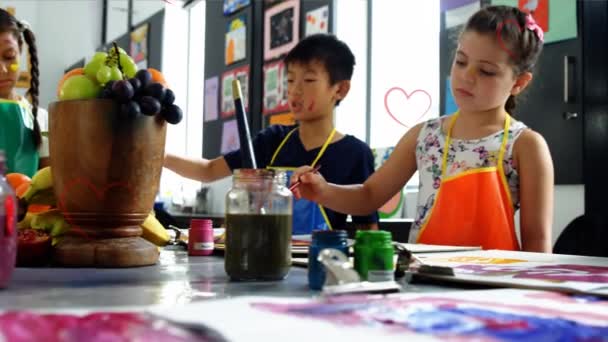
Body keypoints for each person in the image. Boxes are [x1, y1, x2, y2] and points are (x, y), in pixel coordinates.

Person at [291, 6, 553, 252]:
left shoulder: (525, 145)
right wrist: (323, 191)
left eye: (486, 71)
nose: (466, 76)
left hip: (497, 287)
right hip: (426, 281)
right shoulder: (425, 137)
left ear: (519, 82)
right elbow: (369, 195)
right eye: (461, 61)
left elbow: (537, 241)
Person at [164, 34, 379, 234]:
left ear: (340, 89)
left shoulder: (356, 153)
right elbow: (208, 170)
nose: (295, 90)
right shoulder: (272, 140)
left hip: (320, 265)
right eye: (291, 80)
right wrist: (159, 157)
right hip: (266, 260)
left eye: (309, 80)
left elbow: (368, 231)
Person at [0, 8, 48, 177]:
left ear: (20, 51)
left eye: (9, 56)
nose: (2, 69)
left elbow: (48, 189)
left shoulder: (41, 119)